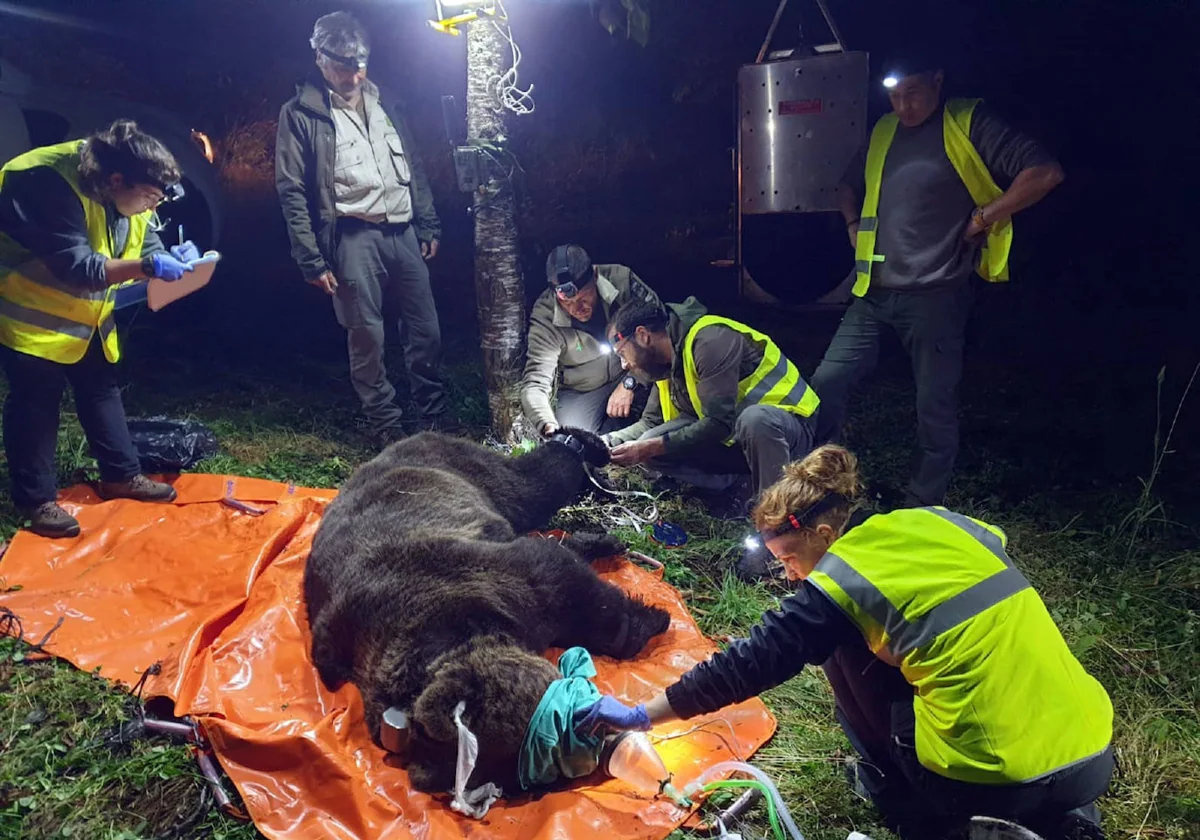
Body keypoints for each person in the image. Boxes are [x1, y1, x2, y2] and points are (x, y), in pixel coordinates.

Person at [575, 444, 1114, 840]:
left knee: (839, 644)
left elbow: (750, 662)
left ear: (825, 537)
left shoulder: (844, 579)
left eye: (788, 559)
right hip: (1092, 752)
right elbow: (993, 544)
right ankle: (1065, 819)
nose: (789, 576)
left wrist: (642, 715)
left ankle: (913, 811)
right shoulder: (937, 521)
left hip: (989, 778)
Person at [812, 54, 1065, 508]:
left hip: (937, 294)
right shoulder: (885, 130)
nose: (902, 105)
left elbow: (1044, 172)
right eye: (893, 95)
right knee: (827, 381)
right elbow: (846, 185)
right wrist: (852, 224)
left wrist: (985, 216)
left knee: (935, 407)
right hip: (873, 293)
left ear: (937, 80)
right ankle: (825, 483)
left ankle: (922, 505)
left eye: (912, 92)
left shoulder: (967, 120)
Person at [0, 119, 197, 538]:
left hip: (86, 314)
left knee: (100, 387)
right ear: (115, 180)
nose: (150, 207)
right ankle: (36, 500)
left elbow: (143, 237)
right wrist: (146, 269)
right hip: (28, 309)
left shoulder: (128, 189)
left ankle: (121, 475)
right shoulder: (44, 179)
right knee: (36, 400)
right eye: (147, 196)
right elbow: (77, 266)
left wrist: (166, 255)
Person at [276, 10, 454, 445]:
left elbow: (412, 163)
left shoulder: (386, 100)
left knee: (425, 330)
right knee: (367, 337)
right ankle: (387, 428)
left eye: (360, 64)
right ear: (320, 59)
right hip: (353, 237)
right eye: (343, 65)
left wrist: (428, 220)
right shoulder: (302, 113)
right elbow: (291, 189)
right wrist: (311, 259)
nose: (354, 75)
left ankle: (436, 420)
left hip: (404, 232)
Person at [604, 300, 821, 579]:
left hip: (788, 433)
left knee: (753, 420)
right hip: (739, 438)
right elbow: (651, 423)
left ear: (643, 336)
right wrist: (604, 441)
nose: (624, 365)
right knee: (650, 441)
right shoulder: (664, 364)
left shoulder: (709, 341)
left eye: (622, 353)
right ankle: (738, 486)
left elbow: (718, 424)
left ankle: (775, 531)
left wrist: (652, 446)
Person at [521, 244, 662, 436]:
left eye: (582, 299)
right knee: (576, 438)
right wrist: (546, 424)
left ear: (595, 276)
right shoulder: (545, 315)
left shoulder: (621, 281)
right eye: (566, 303)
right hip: (583, 389)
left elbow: (662, 331)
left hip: (635, 368)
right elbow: (535, 383)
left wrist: (632, 381)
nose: (576, 309)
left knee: (665, 390)